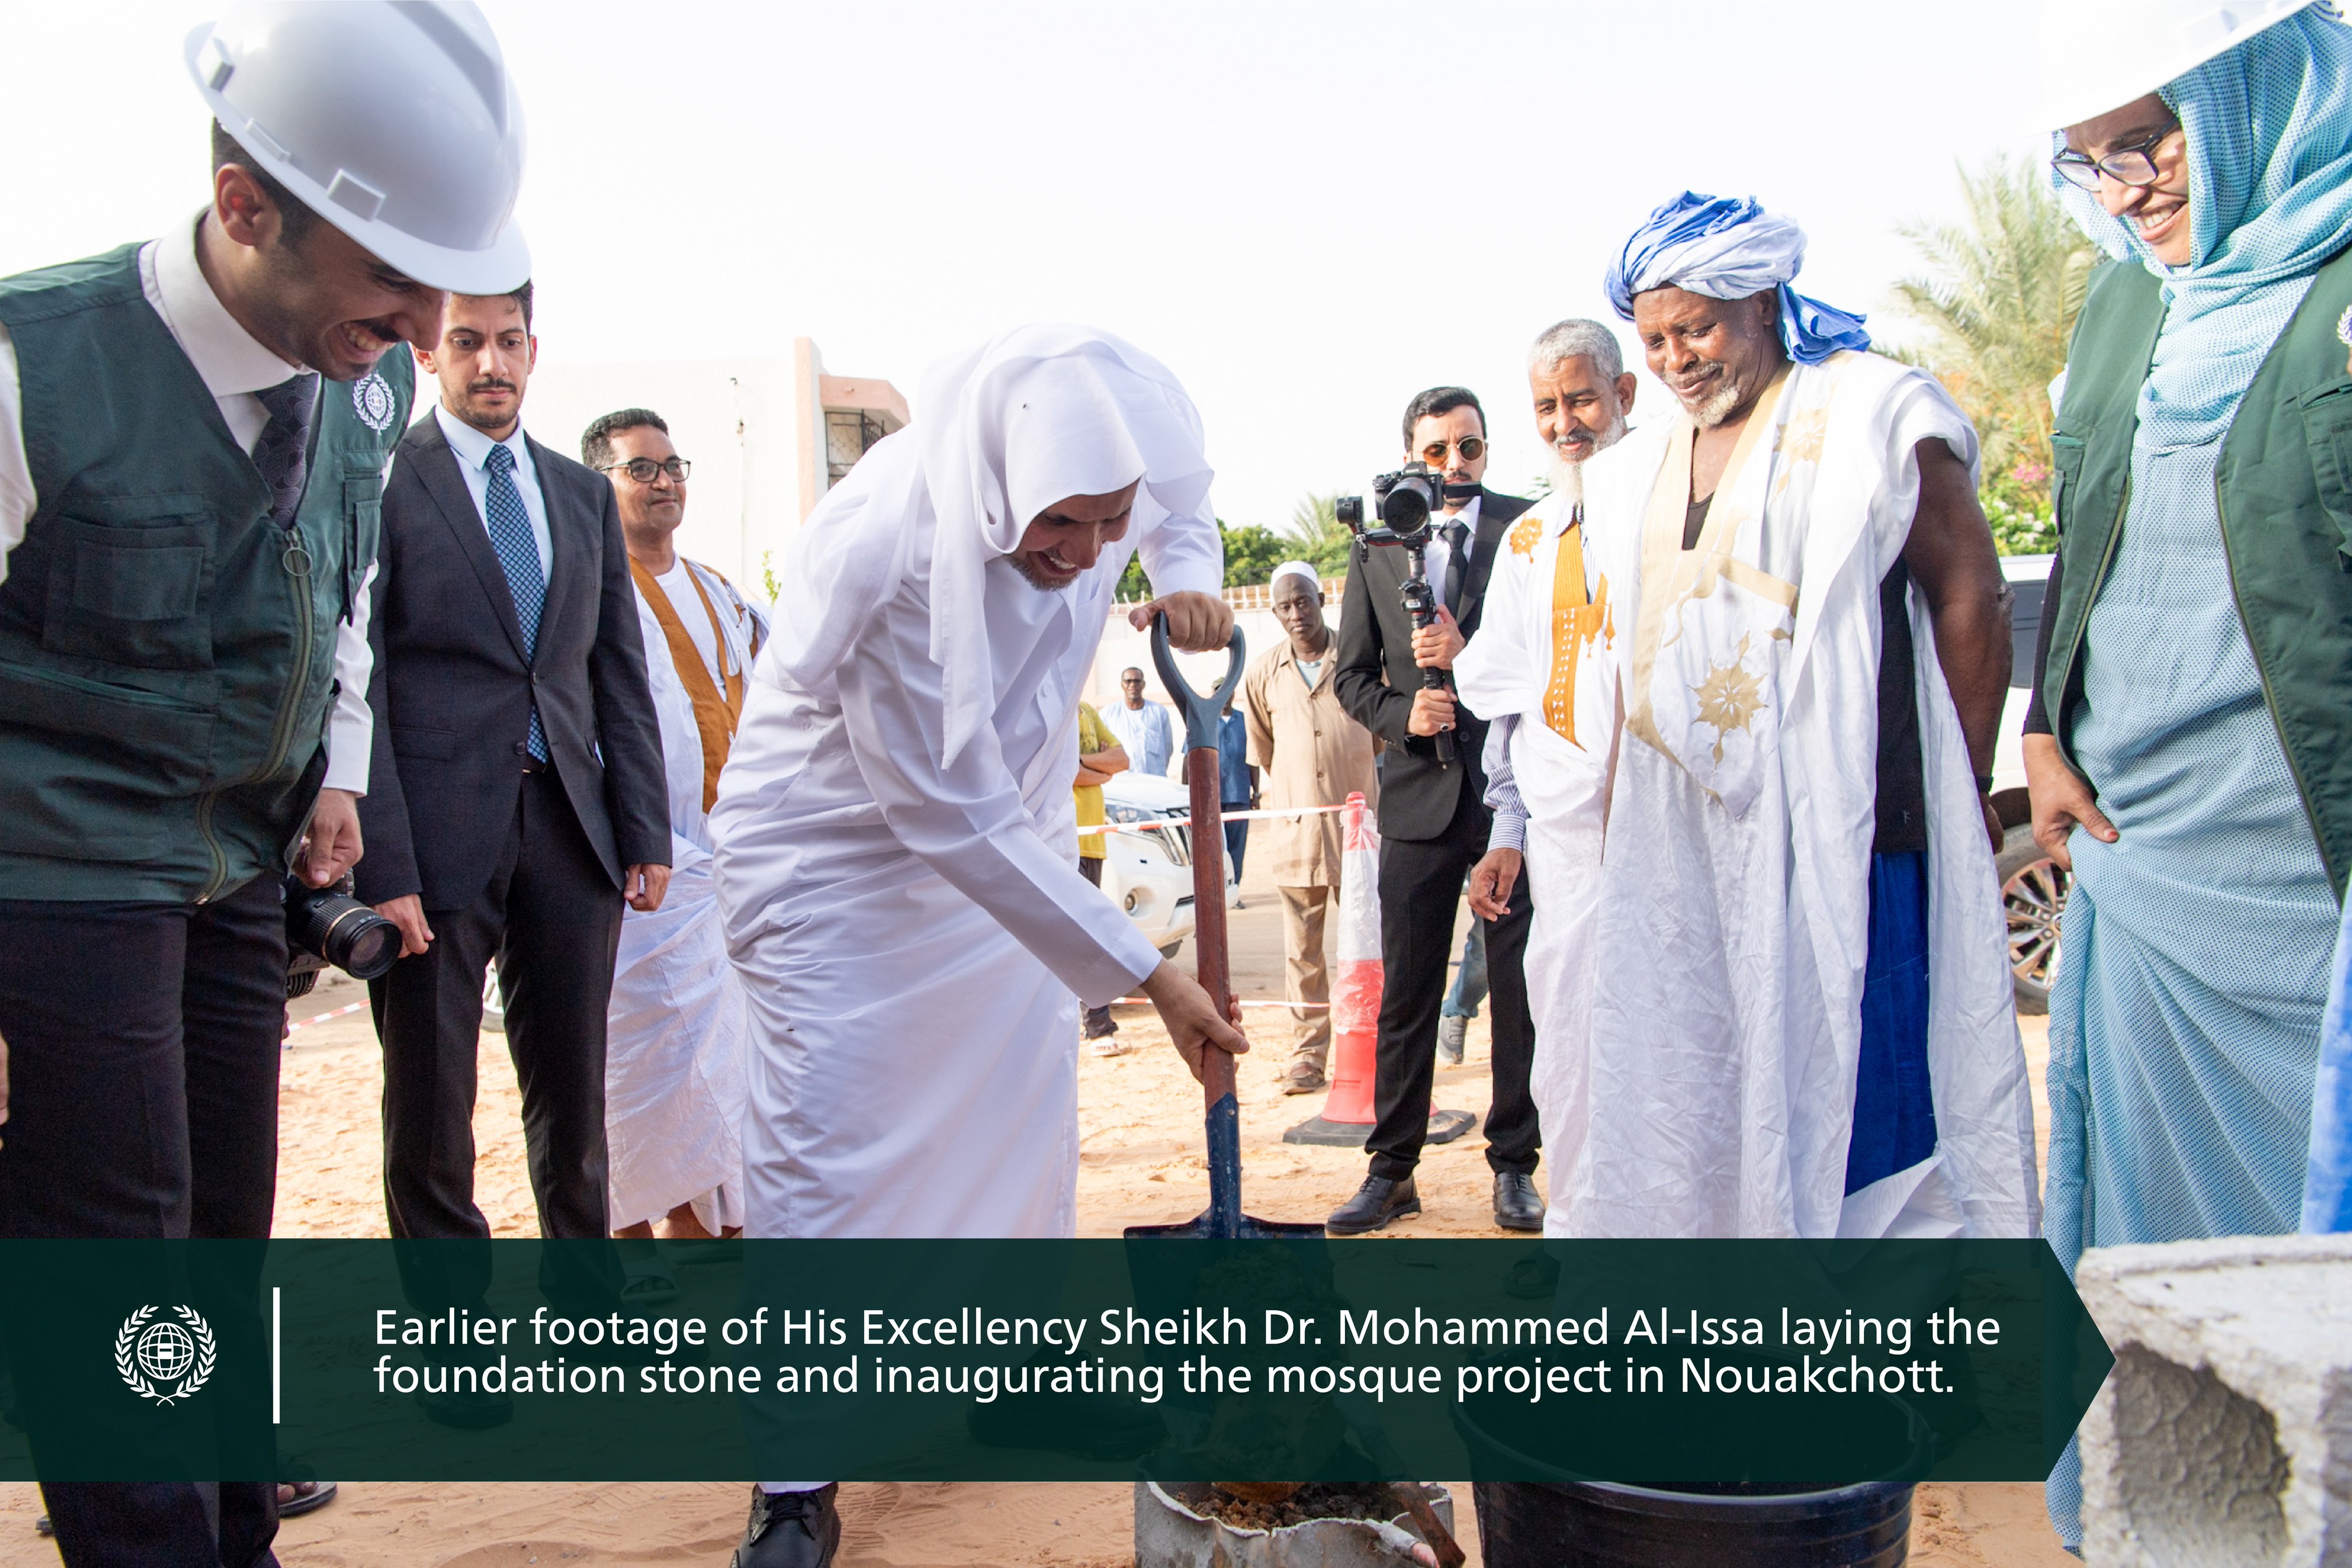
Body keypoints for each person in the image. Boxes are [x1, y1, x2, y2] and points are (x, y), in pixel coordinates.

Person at [0, 1, 528, 1558]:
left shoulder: (361, 379)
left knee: (226, 1234)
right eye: (390, 279)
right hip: (56, 867)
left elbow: (341, 585)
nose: (431, 327)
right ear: (245, 207)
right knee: (114, 1253)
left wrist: (338, 770)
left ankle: (235, 1530)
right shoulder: (30, 365)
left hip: (241, 862)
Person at [709, 327, 1246, 1568]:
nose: (1077, 554)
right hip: (837, 853)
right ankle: (794, 1471)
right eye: (1058, 525)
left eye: (1103, 524)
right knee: (822, 1151)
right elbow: (942, 811)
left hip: (1006, 841)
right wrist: (1148, 973)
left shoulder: (1122, 439)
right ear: (1002, 486)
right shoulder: (887, 544)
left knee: (1015, 1113)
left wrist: (1180, 571)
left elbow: (1183, 505)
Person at [1541, 190, 2036, 1247]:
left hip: (1853, 832)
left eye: (1698, 328)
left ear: (1762, 300)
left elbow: (1970, 591)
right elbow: (1638, 651)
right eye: (1656, 337)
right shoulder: (1632, 469)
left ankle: (1894, 1374)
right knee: (1705, 1102)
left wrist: (1969, 782)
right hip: (1686, 859)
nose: (1676, 359)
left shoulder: (1875, 411)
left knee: (1875, 1112)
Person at [2022, 2, 2352, 1543]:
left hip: (2312, 887)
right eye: (2089, 161)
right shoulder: (2120, 311)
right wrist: (2042, 725)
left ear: (2256, 94)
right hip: (2147, 872)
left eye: (2155, 136)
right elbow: (2090, 529)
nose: (2132, 182)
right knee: (2167, 1277)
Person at [357, 283, 671, 1423]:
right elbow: (369, 680)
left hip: (572, 835)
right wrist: (380, 854)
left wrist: (642, 828)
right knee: (432, 1097)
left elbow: (613, 672)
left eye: (507, 342)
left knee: (571, 1090)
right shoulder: (388, 484)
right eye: (466, 343)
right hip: (430, 848)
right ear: (430, 353)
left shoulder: (581, 495)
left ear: (533, 351)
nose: (489, 362)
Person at [1330, 386, 1544, 1234]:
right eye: (1436, 451)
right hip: (1417, 798)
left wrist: (1473, 656)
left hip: (1509, 804)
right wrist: (1402, 715)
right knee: (1409, 994)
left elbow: (1553, 660)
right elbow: (1351, 675)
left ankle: (1515, 1167)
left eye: (1469, 448)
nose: (1453, 465)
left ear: (1487, 450)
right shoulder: (1375, 544)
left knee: (1518, 995)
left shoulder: (1531, 534)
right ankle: (1393, 1170)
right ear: (1411, 455)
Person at [1454, 318, 1637, 1232]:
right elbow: (1512, 706)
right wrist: (1506, 834)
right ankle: (1598, 1230)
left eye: (1582, 398)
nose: (1567, 421)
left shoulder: (1677, 504)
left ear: (1624, 397)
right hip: (1566, 844)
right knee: (1572, 1035)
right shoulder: (1528, 540)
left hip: (1667, 830)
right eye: (1548, 406)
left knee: (1673, 1036)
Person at [584, 408, 767, 1290]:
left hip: (728, 872)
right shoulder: (584, 592)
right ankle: (634, 1246)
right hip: (635, 879)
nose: (664, 482)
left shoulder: (722, 590)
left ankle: (711, 1238)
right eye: (641, 469)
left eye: (672, 466)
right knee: (643, 1067)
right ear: (601, 485)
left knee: (724, 1068)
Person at [1243, 560, 1380, 1094]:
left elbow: (1381, 736)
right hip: (1297, 831)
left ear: (1321, 599)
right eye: (1284, 606)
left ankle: (1376, 1045)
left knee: (1368, 941)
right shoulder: (1262, 674)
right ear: (1274, 613)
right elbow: (1266, 748)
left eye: (1303, 601)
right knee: (1303, 951)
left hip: (1358, 832)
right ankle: (1307, 1055)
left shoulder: (1361, 658)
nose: (1296, 614)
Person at [1073, 697, 1129, 1048]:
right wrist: (1098, 769)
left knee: (1090, 930)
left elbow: (1122, 760)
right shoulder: (1050, 706)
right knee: (1080, 935)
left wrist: (1082, 763)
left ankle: (1095, 1022)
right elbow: (1060, 769)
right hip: (1062, 837)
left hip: (1092, 841)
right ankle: (1097, 1025)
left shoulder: (1088, 711)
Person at [1104, 664, 1178, 777]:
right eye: (1128, 681)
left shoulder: (1158, 712)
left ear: (1144, 685)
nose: (1133, 685)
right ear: (1122, 685)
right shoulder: (1109, 713)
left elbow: (1168, 748)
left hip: (1154, 778)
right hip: (1122, 781)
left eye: (1137, 681)